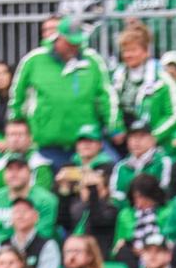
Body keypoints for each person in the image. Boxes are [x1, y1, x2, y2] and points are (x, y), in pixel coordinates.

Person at [9, 20, 119, 169]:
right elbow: (16, 97)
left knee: (113, 166)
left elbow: (106, 96)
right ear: (58, 38)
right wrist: (17, 128)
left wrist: (115, 127)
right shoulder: (33, 60)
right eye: (70, 43)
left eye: (78, 43)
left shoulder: (92, 60)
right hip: (47, 145)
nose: (74, 47)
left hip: (87, 142)